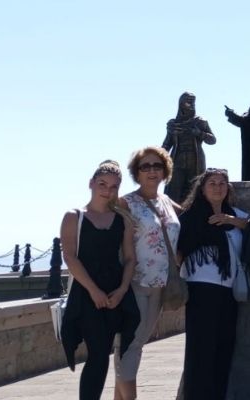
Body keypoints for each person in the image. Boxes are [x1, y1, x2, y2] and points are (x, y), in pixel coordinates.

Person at [59, 160, 140, 400]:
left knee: (105, 352)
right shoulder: (74, 216)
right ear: (91, 183)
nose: (107, 190)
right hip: (87, 294)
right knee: (97, 353)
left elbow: (129, 258)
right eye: (102, 184)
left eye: (114, 186)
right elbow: (69, 257)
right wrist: (93, 290)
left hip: (115, 292)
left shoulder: (122, 219)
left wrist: (123, 289)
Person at [116, 147, 182, 400]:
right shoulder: (126, 203)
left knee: (136, 344)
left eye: (157, 166)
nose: (152, 171)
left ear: (165, 171)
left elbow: (189, 217)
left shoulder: (165, 202)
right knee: (130, 345)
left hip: (161, 285)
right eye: (146, 167)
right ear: (137, 172)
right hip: (134, 284)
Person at [176, 169, 249, 400]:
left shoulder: (236, 215)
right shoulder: (190, 217)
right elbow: (179, 252)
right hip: (200, 291)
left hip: (227, 292)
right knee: (200, 352)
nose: (218, 187)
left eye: (222, 183)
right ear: (203, 189)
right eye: (212, 183)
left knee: (223, 349)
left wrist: (230, 221)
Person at [162, 91, 216, 202]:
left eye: (193, 102)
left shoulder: (200, 122)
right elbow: (167, 144)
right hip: (177, 160)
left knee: (194, 191)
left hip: (195, 161)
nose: (192, 104)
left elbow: (212, 140)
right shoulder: (173, 124)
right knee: (174, 192)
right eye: (188, 102)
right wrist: (157, 156)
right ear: (181, 103)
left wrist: (199, 133)